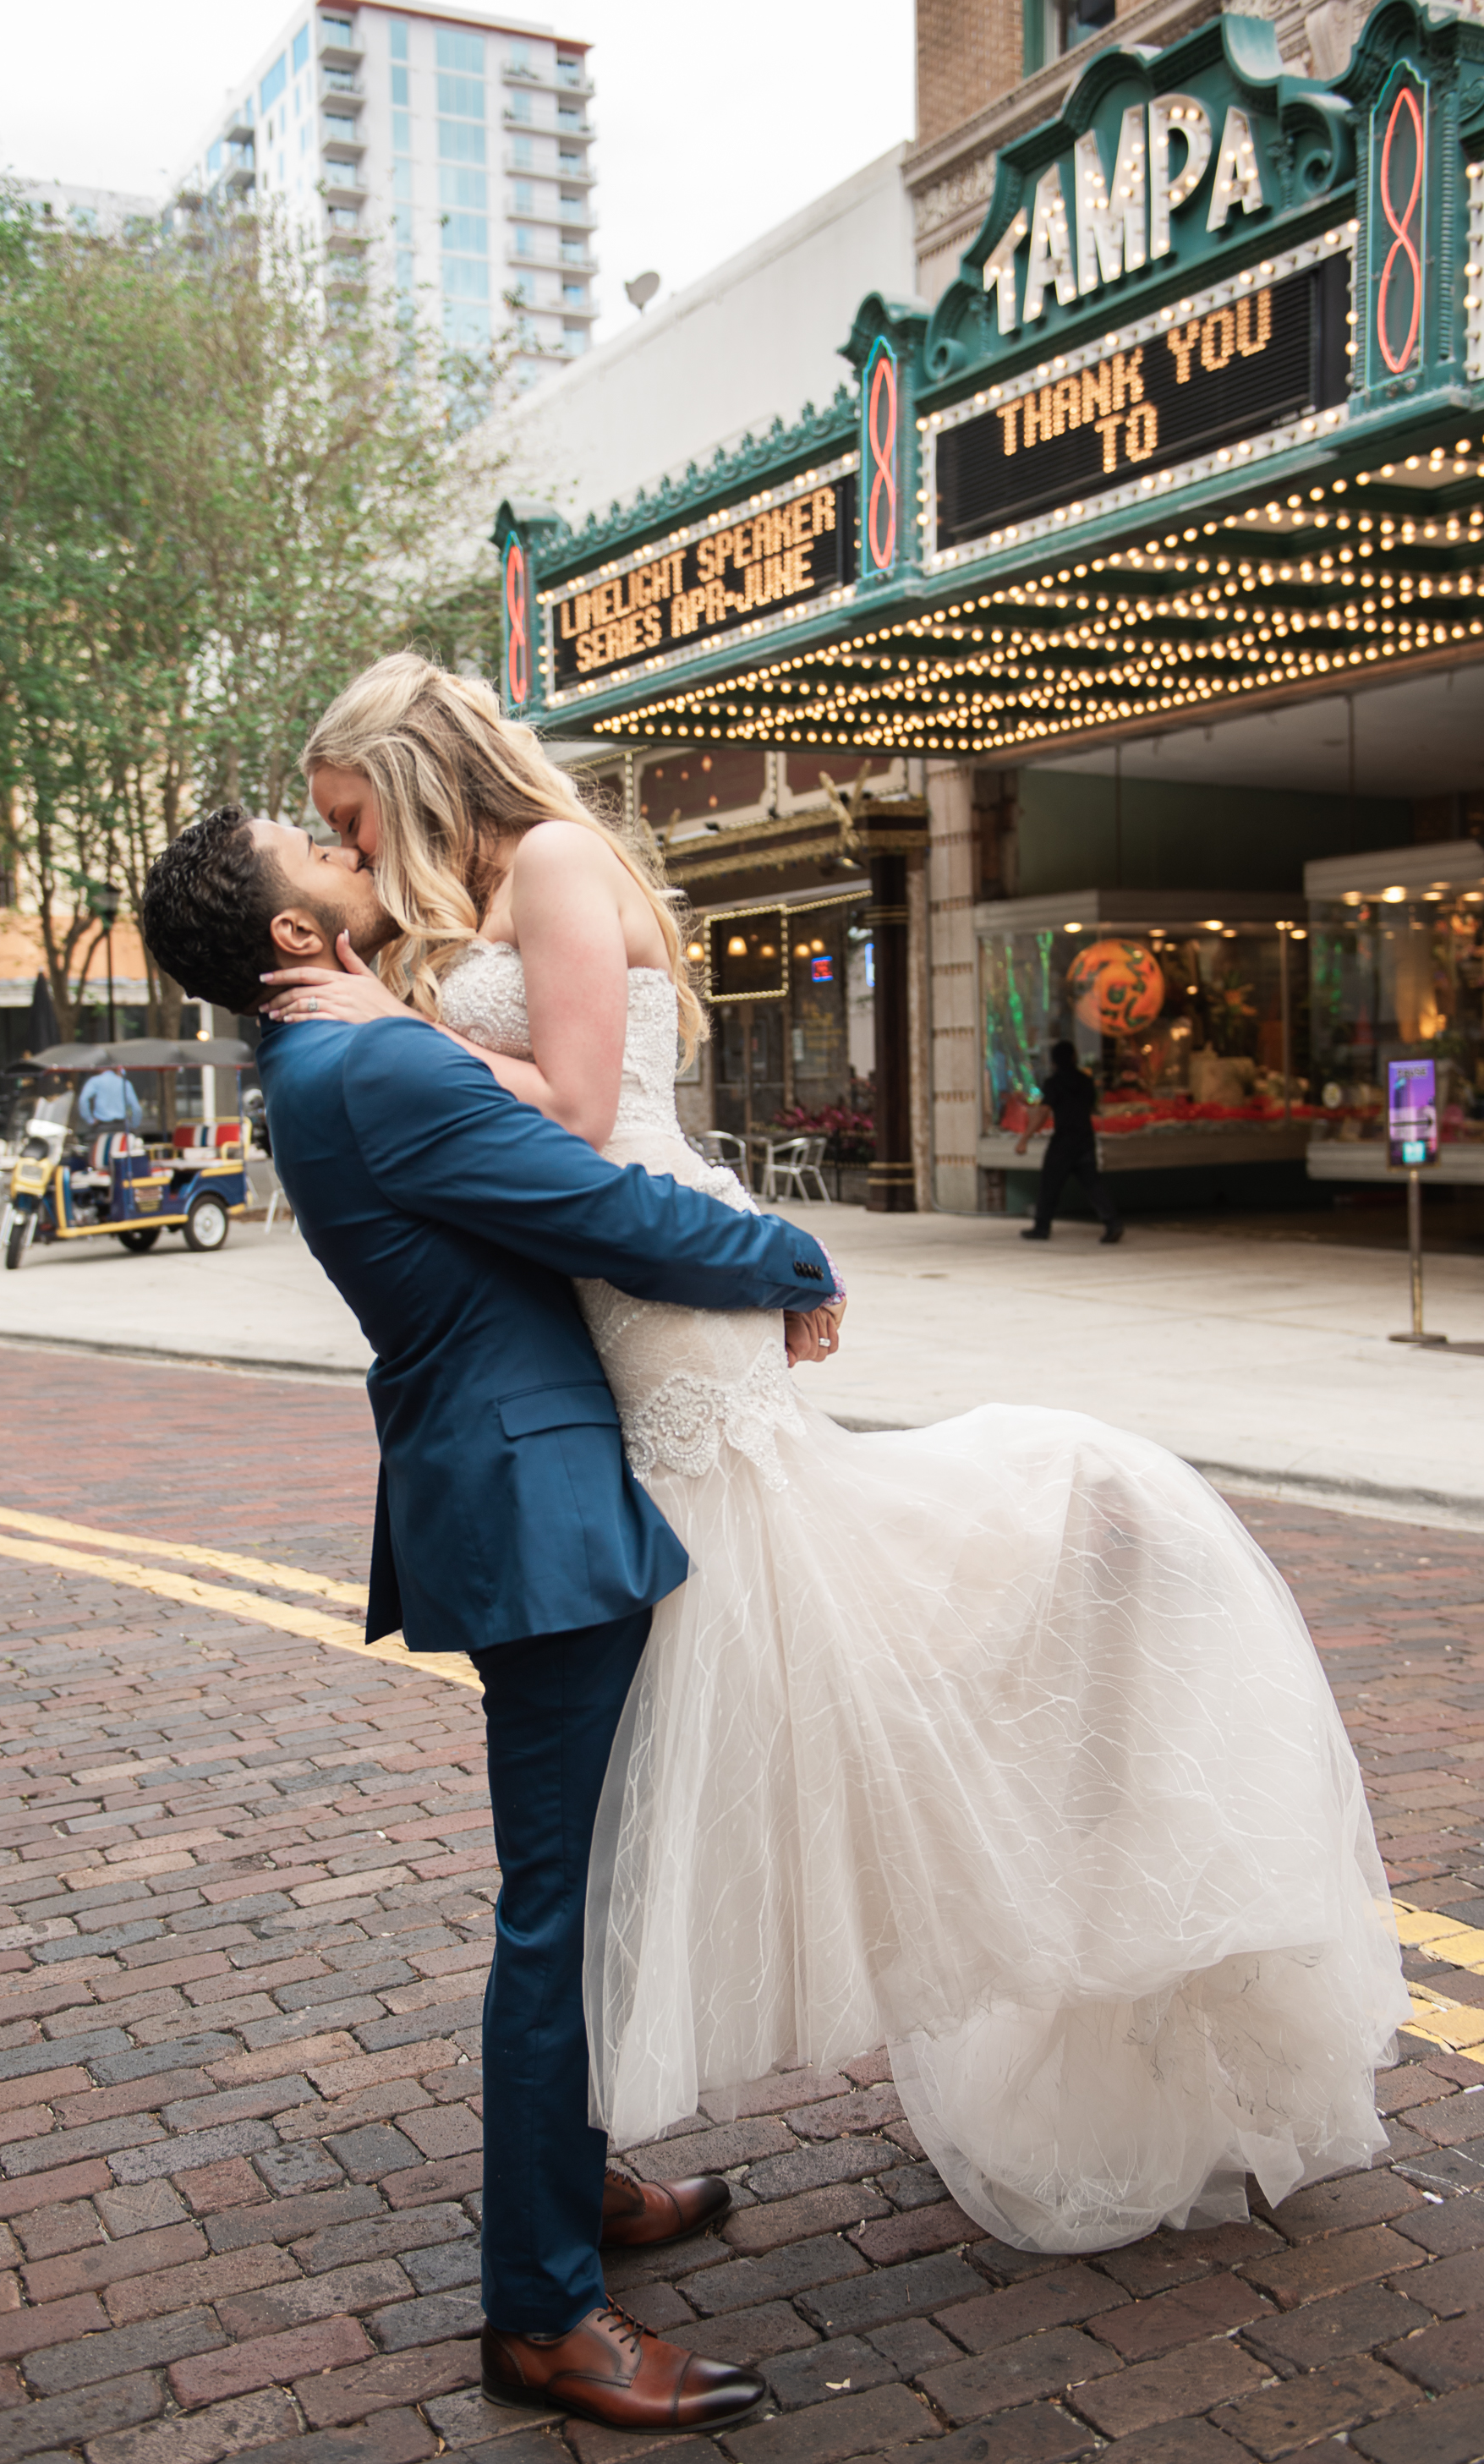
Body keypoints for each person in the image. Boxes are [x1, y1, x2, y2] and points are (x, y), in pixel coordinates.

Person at [257, 654, 1406, 2270]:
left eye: (355, 823)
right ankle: (575, 2163)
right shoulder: (446, 925)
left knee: (758, 1701)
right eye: (334, 843)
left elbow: (582, 1116)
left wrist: (387, 1023)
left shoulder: (560, 865)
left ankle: (1055, 1712)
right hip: (613, 1312)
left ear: (420, 774)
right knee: (672, 1746)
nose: (358, 859)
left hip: (662, 1303)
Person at [139, 808, 844, 2436]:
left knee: (583, 1885)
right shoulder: (367, 1071)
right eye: (305, 852)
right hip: (536, 1510)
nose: (341, 854)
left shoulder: (332, 1056)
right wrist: (789, 1250)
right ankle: (538, 2315)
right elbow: (599, 1209)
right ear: (295, 944)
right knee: (563, 1910)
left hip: (512, 1482)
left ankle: (578, 2191)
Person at [1013, 1039, 1123, 1244]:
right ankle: (1112, 1222)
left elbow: (1043, 1112)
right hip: (1085, 1137)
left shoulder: (1054, 1083)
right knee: (1092, 1183)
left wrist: (1025, 1138)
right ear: (1073, 1057)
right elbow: (1091, 1106)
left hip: (1064, 1140)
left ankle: (1041, 1227)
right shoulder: (1085, 1081)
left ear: (1054, 1060)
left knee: (1050, 1184)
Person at [74, 1062, 143, 1138]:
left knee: (98, 1148)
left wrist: (90, 1120)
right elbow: (137, 1109)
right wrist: (133, 1125)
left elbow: (83, 1100)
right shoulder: (125, 1083)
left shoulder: (96, 1081)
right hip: (121, 1126)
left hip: (102, 1127)